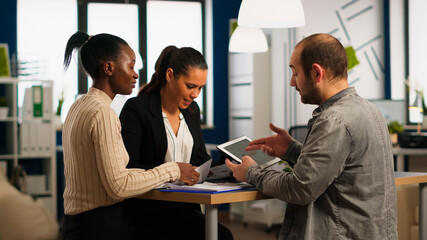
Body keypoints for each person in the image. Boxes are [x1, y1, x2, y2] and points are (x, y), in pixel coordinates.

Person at [225, 33, 398, 239]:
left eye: (295, 73)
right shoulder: (370, 110)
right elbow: (336, 170)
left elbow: (300, 189)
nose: (292, 82)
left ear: (316, 73)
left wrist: (251, 172)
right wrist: (291, 149)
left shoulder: (333, 121)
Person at [61, 32, 200, 240]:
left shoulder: (77, 106)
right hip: (103, 226)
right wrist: (173, 169)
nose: (136, 74)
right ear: (108, 68)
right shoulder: (103, 113)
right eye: (131, 66)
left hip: (75, 225)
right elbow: (119, 185)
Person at [119, 45, 233, 240]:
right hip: (148, 211)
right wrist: (173, 170)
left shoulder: (192, 111)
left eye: (200, 88)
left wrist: (229, 166)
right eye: (190, 86)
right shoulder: (137, 109)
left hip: (186, 208)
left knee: (221, 235)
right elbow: (129, 167)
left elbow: (200, 160)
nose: (196, 94)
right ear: (170, 75)